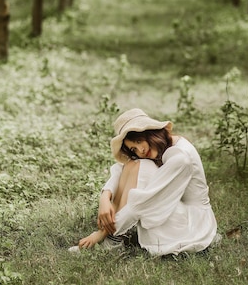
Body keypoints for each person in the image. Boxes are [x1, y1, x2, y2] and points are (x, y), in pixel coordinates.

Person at [70, 108, 219, 256]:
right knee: (133, 165)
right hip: (179, 209)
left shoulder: (180, 157)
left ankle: (113, 236)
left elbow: (144, 202)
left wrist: (100, 234)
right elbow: (122, 169)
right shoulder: (167, 144)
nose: (140, 150)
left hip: (192, 225)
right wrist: (105, 196)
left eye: (140, 141)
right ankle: (114, 233)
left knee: (140, 166)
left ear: (151, 132)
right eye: (134, 148)